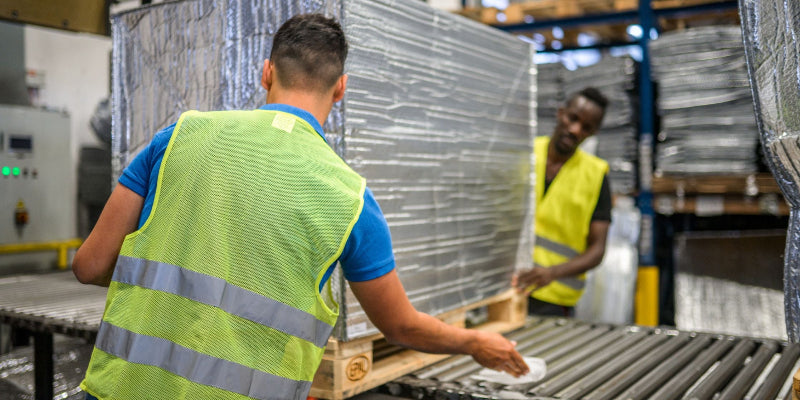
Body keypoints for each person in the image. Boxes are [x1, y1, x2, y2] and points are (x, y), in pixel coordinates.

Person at [72, 14, 528, 400]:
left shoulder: (178, 138)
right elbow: (401, 327)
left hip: (121, 389)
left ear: (266, 72)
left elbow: (90, 265)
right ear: (341, 88)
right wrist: (475, 341)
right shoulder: (350, 198)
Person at [512, 87, 612, 317]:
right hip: (506, 287)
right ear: (560, 113)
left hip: (555, 300)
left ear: (593, 133)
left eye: (586, 127)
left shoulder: (596, 175)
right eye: (573, 118)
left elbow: (597, 249)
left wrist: (552, 273)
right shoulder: (524, 152)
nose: (575, 129)